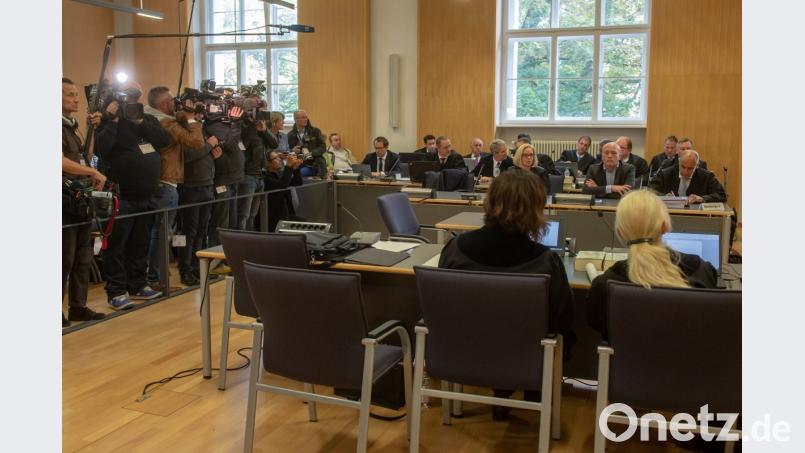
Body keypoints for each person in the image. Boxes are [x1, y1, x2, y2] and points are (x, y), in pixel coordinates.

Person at [439, 170, 575, 420]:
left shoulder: (455, 248)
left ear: (489, 202)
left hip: (463, 353)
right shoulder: (546, 260)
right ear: (536, 208)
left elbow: (443, 305)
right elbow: (562, 318)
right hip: (527, 358)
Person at [587, 190, 718, 340]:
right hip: (690, 361)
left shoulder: (606, 284)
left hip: (628, 362)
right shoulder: (702, 270)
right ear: (664, 227)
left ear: (620, 232)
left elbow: (597, 324)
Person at [94, 80, 171, 309]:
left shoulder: (145, 120)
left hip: (147, 195)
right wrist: (112, 120)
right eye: (128, 100)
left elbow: (165, 140)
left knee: (140, 243)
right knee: (117, 246)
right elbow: (100, 149)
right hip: (121, 196)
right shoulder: (109, 123)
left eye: (136, 100)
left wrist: (138, 121)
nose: (132, 104)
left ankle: (138, 283)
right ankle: (116, 291)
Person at [143, 86, 206, 288]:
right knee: (161, 233)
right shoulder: (165, 122)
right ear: (163, 104)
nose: (175, 103)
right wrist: (191, 118)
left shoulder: (153, 118)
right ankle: (157, 278)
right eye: (172, 100)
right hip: (166, 182)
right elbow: (196, 142)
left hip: (161, 180)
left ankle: (157, 276)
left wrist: (184, 114)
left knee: (158, 232)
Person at [62, 77, 107, 326]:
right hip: (63, 202)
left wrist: (93, 131)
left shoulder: (73, 126)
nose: (75, 99)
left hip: (81, 199)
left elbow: (85, 156)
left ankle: (78, 306)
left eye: (75, 94)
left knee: (83, 255)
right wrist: (92, 173)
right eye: (69, 95)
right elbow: (59, 161)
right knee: (63, 258)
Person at [205, 105, 245, 246]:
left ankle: (229, 253)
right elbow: (231, 145)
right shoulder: (213, 125)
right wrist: (235, 123)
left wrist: (242, 121)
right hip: (223, 179)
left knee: (232, 220)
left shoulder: (228, 124)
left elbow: (244, 140)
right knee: (221, 220)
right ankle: (216, 256)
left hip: (234, 177)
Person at [649, 149, 726, 204]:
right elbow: (650, 191)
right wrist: (664, 197)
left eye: (690, 168)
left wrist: (702, 198)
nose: (685, 171)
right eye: (683, 167)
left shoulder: (707, 176)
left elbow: (721, 195)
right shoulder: (665, 174)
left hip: (697, 217)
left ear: (697, 166)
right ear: (679, 162)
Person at [263, 150, 304, 232]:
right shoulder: (265, 178)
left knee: (305, 224)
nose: (280, 159)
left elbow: (297, 182)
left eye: (279, 157)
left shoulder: (279, 175)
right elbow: (282, 185)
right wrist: (288, 166)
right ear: (268, 163)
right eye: (275, 158)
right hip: (272, 219)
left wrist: (296, 168)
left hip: (284, 215)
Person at [288, 110, 326, 178]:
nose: (305, 119)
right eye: (302, 117)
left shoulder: (315, 131)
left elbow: (323, 147)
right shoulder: (290, 135)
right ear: (295, 119)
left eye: (306, 117)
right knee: (289, 175)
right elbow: (287, 151)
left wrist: (311, 153)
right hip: (298, 163)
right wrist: (292, 150)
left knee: (299, 174)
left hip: (314, 164)